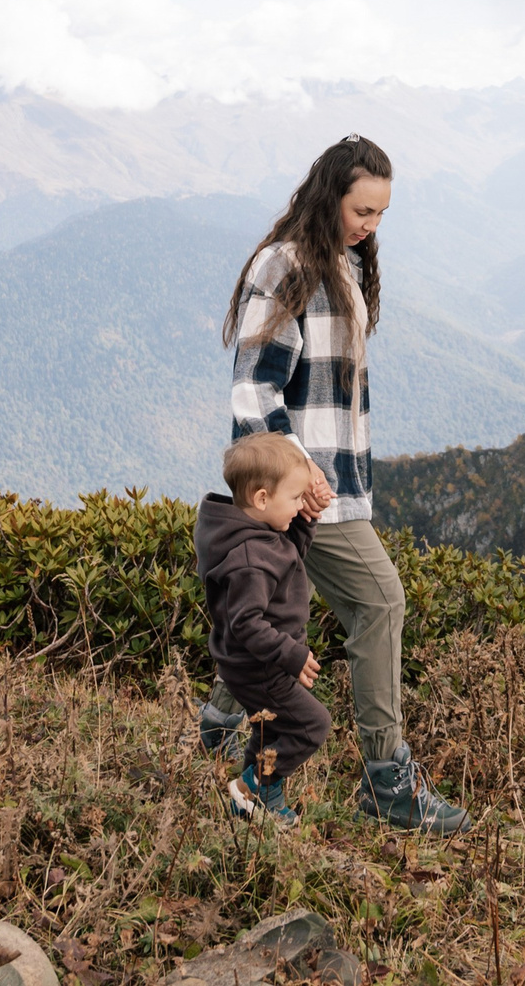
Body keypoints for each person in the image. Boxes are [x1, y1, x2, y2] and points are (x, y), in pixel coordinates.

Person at [196, 134, 470, 834]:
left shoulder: (341, 265)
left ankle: (217, 731)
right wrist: (303, 470)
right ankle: (387, 782)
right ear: (329, 194)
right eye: (361, 209)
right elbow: (253, 389)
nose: (370, 225)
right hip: (302, 492)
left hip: (327, 489)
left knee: (281, 612)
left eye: (380, 213)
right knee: (381, 603)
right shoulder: (285, 266)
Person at [196, 433, 330, 826]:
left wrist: (307, 520)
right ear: (261, 499)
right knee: (311, 726)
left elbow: (287, 557)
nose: (299, 504)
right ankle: (253, 785)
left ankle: (261, 801)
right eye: (295, 498)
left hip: (251, 664)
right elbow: (247, 623)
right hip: (260, 667)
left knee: (270, 727)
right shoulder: (251, 558)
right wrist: (291, 654)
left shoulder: (258, 536)